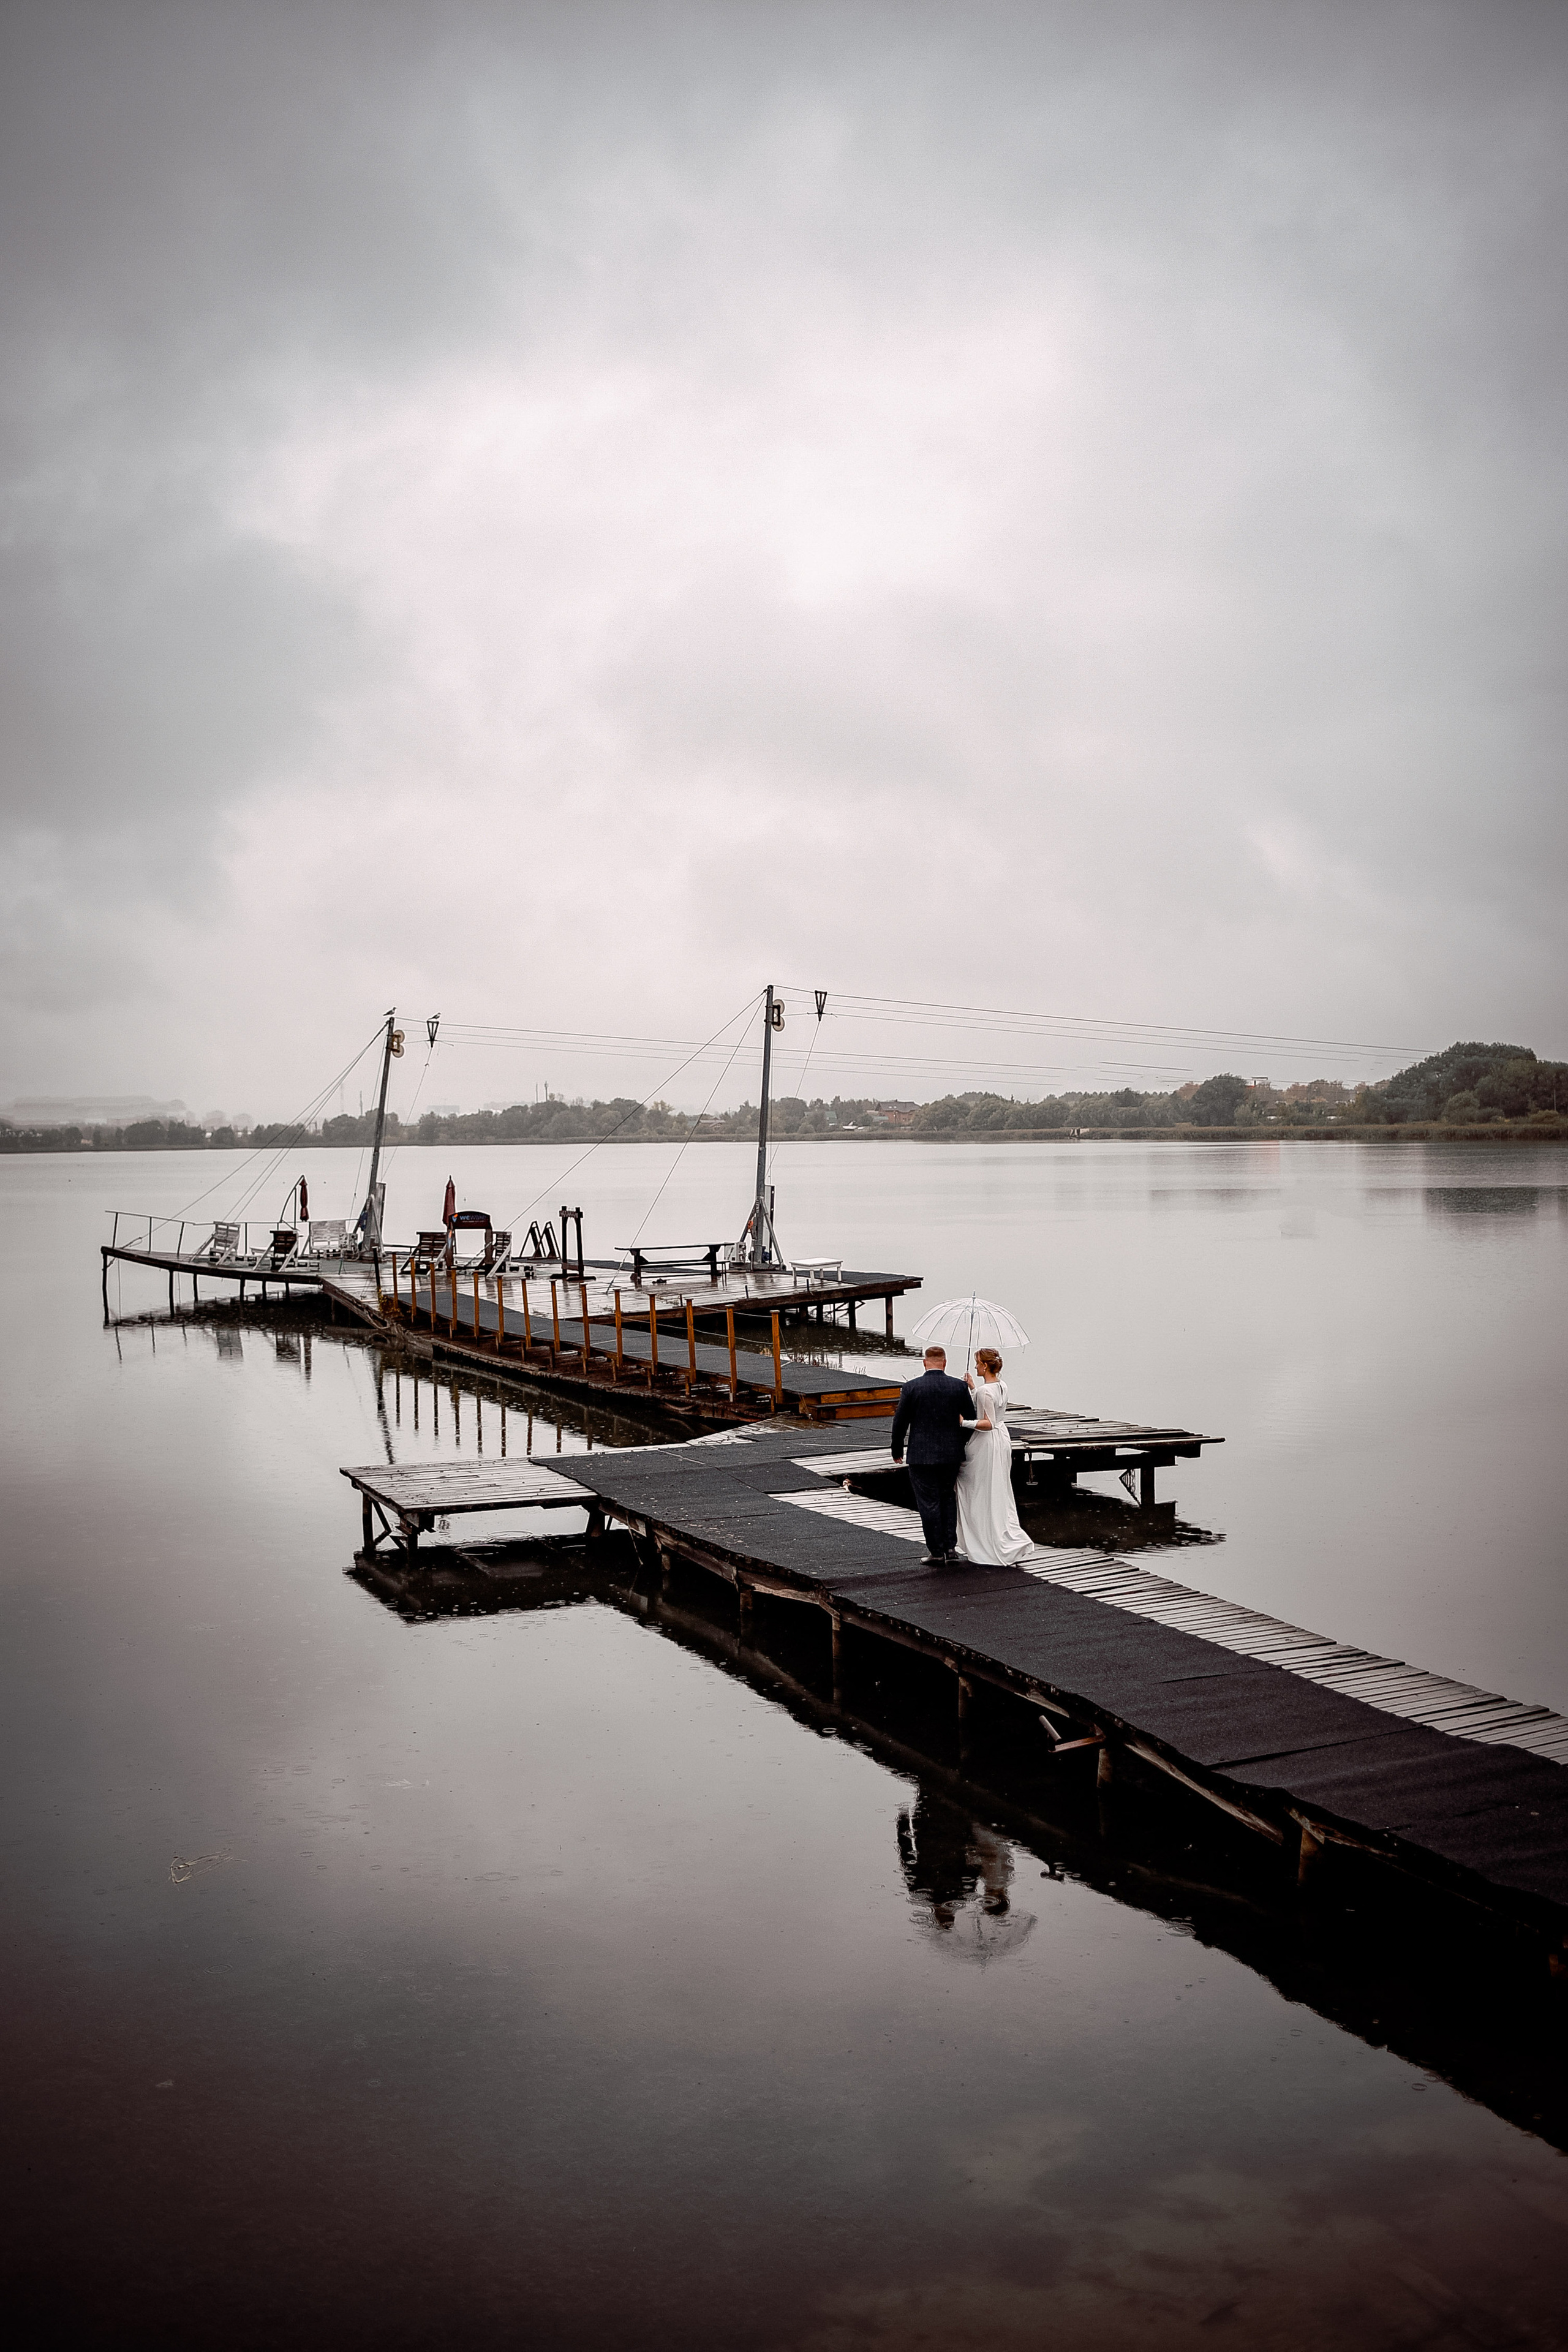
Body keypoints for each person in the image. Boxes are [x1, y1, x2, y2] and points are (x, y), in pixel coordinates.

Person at [890, 1344, 978, 1562]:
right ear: (945, 1363)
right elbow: (971, 1420)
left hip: (921, 1455)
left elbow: (900, 1421)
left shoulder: (911, 1387)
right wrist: (960, 1443)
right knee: (948, 1497)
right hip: (951, 1454)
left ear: (924, 1363)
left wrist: (897, 1448)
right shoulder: (959, 1386)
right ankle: (951, 1549)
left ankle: (936, 1552)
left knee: (928, 1502)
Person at [954, 1348, 1032, 1565]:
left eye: (978, 1363)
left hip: (987, 1442)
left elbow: (987, 1423)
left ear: (986, 1366)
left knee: (976, 1487)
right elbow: (991, 1409)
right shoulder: (1001, 1385)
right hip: (1002, 1438)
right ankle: (995, 1531)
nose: (976, 1366)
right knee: (996, 1486)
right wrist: (972, 1387)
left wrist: (963, 1423)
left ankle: (985, 1539)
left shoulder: (985, 1391)